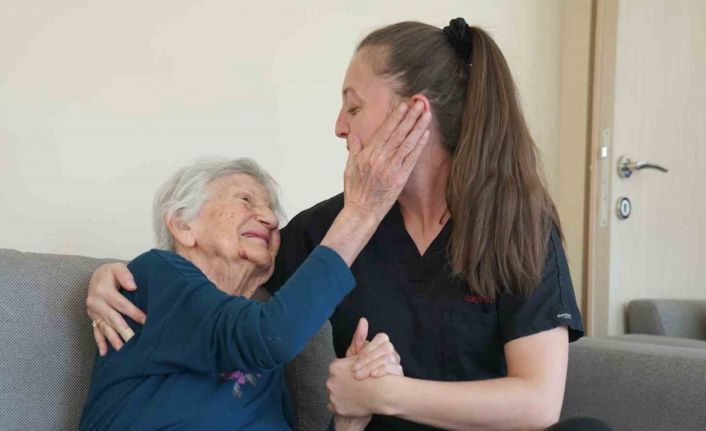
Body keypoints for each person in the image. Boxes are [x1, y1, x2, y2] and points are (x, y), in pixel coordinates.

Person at [86, 18, 612, 431]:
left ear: (414, 113)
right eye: (246, 201)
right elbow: (236, 297)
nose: (339, 127)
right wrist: (108, 278)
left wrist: (383, 395)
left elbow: (539, 401)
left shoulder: (516, 223)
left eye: (354, 108)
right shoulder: (327, 230)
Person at [79, 99, 431, 430]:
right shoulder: (156, 274)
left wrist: (349, 418)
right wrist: (362, 212)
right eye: (245, 200)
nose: (270, 219)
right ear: (184, 225)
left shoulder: (257, 333)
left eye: (271, 210)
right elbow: (271, 336)